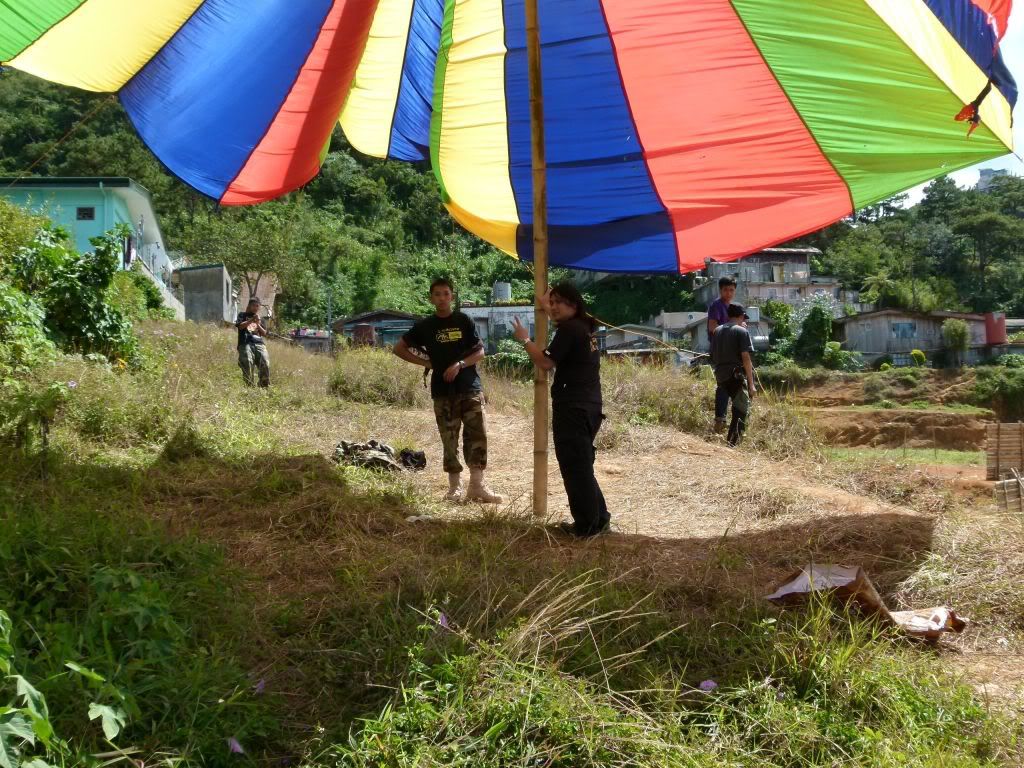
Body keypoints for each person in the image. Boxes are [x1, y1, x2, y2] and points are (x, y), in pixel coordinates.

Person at [512, 283, 609, 538]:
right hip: (589, 405)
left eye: (559, 303)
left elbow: (545, 361)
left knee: (575, 467)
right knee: (582, 465)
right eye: (551, 302)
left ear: (574, 305)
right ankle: (599, 519)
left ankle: (587, 527)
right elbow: (558, 323)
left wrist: (524, 339)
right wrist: (549, 306)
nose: (553, 307)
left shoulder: (570, 329)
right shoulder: (584, 328)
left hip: (573, 407)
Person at [394, 278, 503, 504]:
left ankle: (477, 486)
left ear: (452, 296)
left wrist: (459, 365)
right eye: (437, 294)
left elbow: (480, 352)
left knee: (477, 436)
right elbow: (399, 348)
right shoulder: (426, 326)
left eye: (445, 293)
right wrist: (426, 363)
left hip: (469, 387)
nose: (442, 298)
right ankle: (455, 488)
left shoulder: (464, 320)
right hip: (443, 391)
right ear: (431, 298)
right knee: (449, 439)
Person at [710, 303, 756, 446]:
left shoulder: (717, 331)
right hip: (735, 375)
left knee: (723, 392)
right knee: (741, 410)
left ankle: (720, 416)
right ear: (741, 316)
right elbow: (746, 358)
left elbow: (713, 354)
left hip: (720, 374)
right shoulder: (742, 332)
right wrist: (751, 384)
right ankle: (732, 445)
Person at [708, 277, 737, 428]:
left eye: (731, 290)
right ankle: (720, 419)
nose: (728, 293)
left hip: (735, 352)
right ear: (720, 290)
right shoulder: (716, 306)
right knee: (723, 384)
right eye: (726, 290)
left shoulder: (736, 307)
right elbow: (712, 327)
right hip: (720, 350)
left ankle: (735, 420)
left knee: (736, 383)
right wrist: (731, 327)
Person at [235, 298, 270, 388]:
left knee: (265, 363)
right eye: (254, 305)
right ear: (249, 306)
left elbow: (264, 333)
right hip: (245, 342)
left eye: (257, 306)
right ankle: (249, 387)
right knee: (247, 362)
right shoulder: (242, 315)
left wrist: (258, 323)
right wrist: (251, 320)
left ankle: (264, 387)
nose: (255, 308)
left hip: (259, 343)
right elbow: (240, 326)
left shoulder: (261, 319)